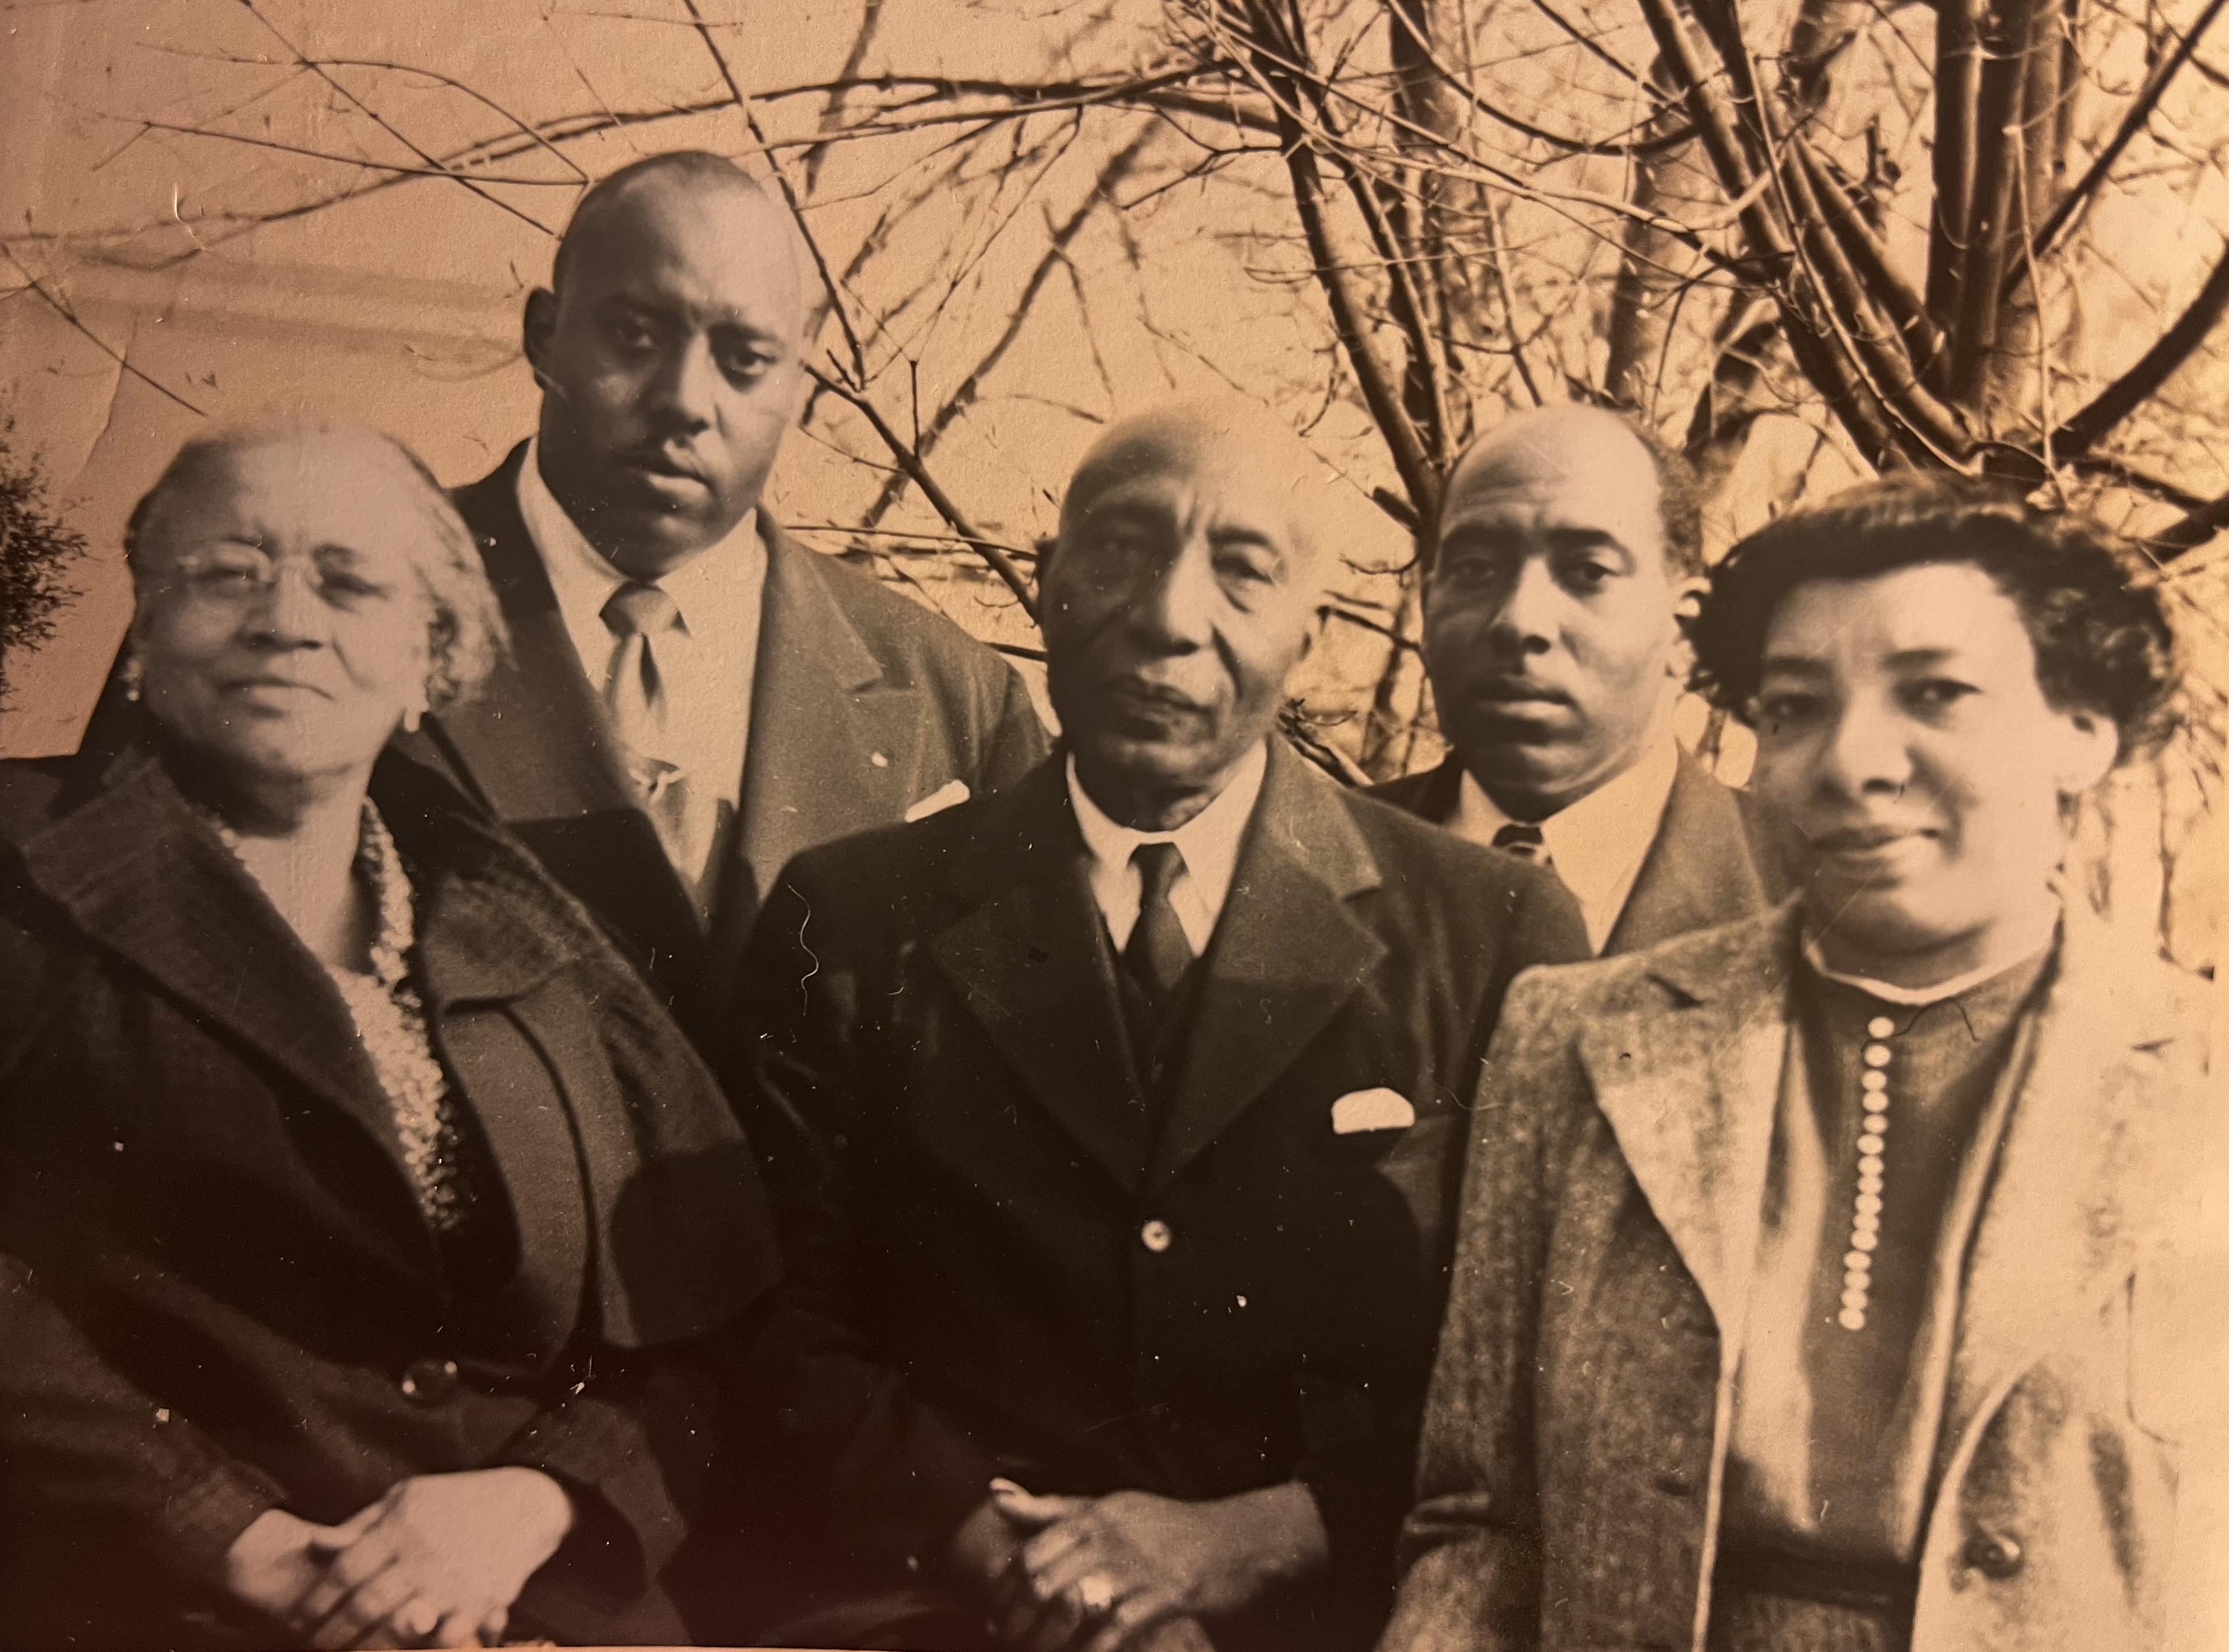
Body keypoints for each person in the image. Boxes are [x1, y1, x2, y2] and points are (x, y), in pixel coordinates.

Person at [705, 402, 1588, 1652]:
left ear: (1313, 631)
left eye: (1242, 568)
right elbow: (777, 1326)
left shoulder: (1490, 933)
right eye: (1120, 548)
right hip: (942, 1609)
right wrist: (1025, 1563)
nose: (1171, 615)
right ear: (1045, 577)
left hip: (1328, 1617)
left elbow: (1540, 1373)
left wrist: (1252, 1540)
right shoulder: (854, 917)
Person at [1381, 473, 2221, 1652]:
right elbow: (1480, 1524)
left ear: (2081, 728)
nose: (1850, 761)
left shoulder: (2203, 1085)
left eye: (1934, 694)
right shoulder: (1578, 1043)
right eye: (1795, 707)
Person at [0, 418, 788, 1649]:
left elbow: (698, 1323)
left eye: (349, 582)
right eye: (225, 572)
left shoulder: (535, 938)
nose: (285, 619)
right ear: (147, 630)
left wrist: (535, 1504)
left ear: (437, 657)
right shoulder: (19, 871)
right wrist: (226, 1533)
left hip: (538, 1608)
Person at [413, 149, 1047, 1043]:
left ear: (796, 379)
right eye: (634, 336)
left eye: (745, 359)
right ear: (545, 336)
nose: (683, 401)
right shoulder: (347, 612)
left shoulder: (955, 704)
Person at [1370, 405, 1792, 954]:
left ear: (1684, 634)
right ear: (1427, 611)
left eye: (1588, 571)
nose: (1519, 620)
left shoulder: (1820, 903)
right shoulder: (1296, 865)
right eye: (1474, 569)